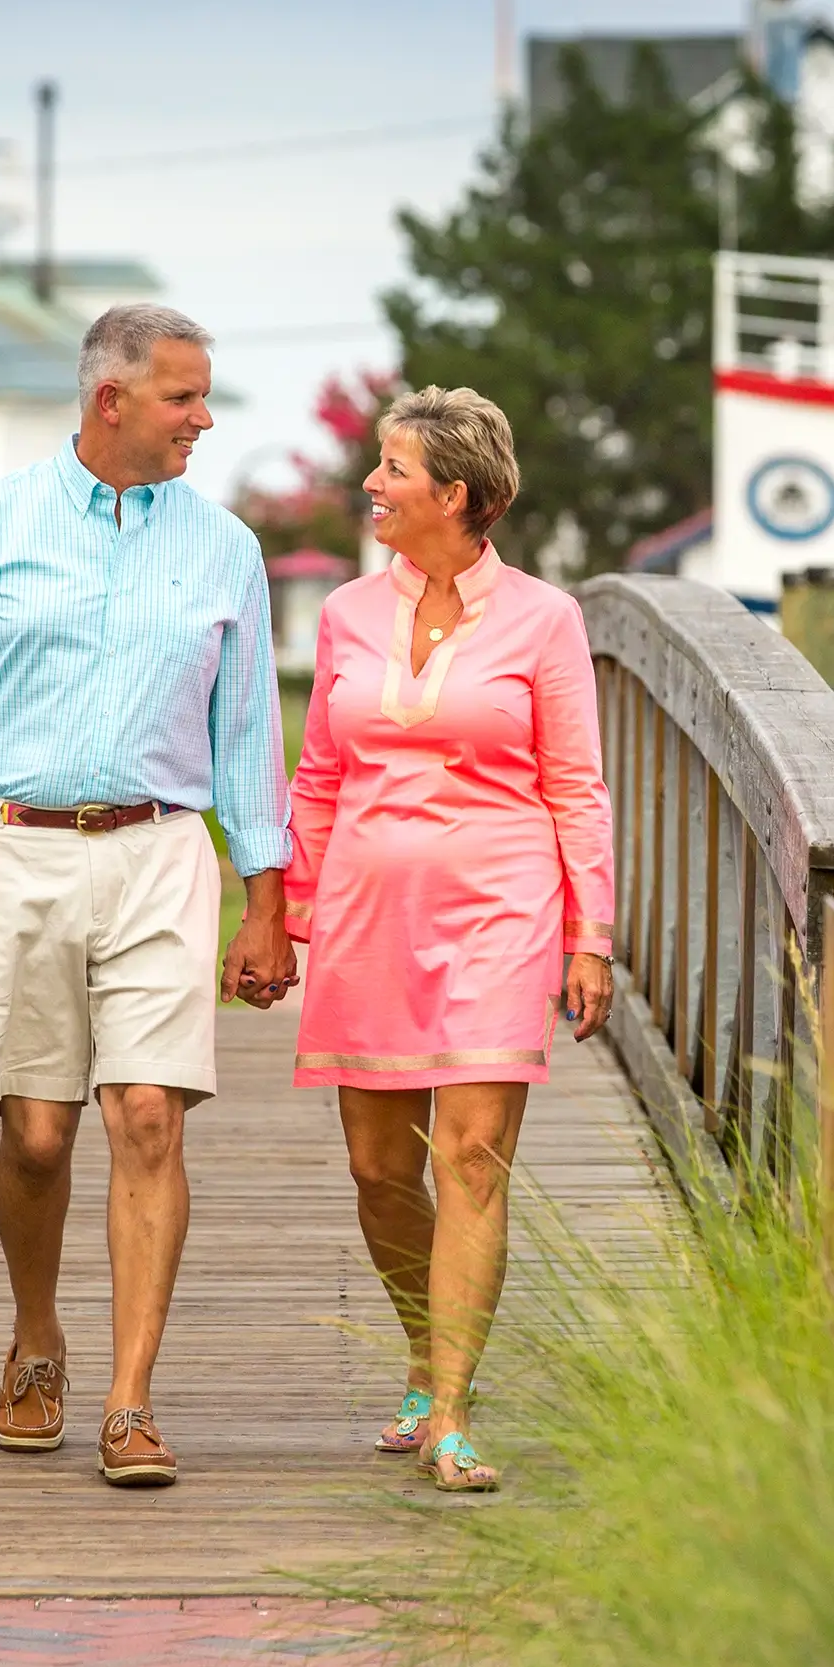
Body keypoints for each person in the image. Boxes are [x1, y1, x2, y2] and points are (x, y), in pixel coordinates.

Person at [0, 302, 296, 1492]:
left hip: (162, 849)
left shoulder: (225, 548)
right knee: (40, 1131)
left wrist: (266, 897)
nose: (204, 419)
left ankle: (130, 1399)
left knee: (149, 1114)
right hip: (9, 848)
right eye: (183, 398)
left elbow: (248, 731)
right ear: (111, 398)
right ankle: (38, 1334)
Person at [283, 385, 613, 1493]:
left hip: (501, 909)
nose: (371, 484)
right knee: (381, 1167)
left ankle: (455, 1410)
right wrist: (287, 913)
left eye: (391, 468)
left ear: (455, 494)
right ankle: (425, 1350)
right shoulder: (345, 615)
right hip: (368, 914)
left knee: (468, 1156)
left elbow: (576, 783)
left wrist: (590, 932)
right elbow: (321, 775)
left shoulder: (544, 619)